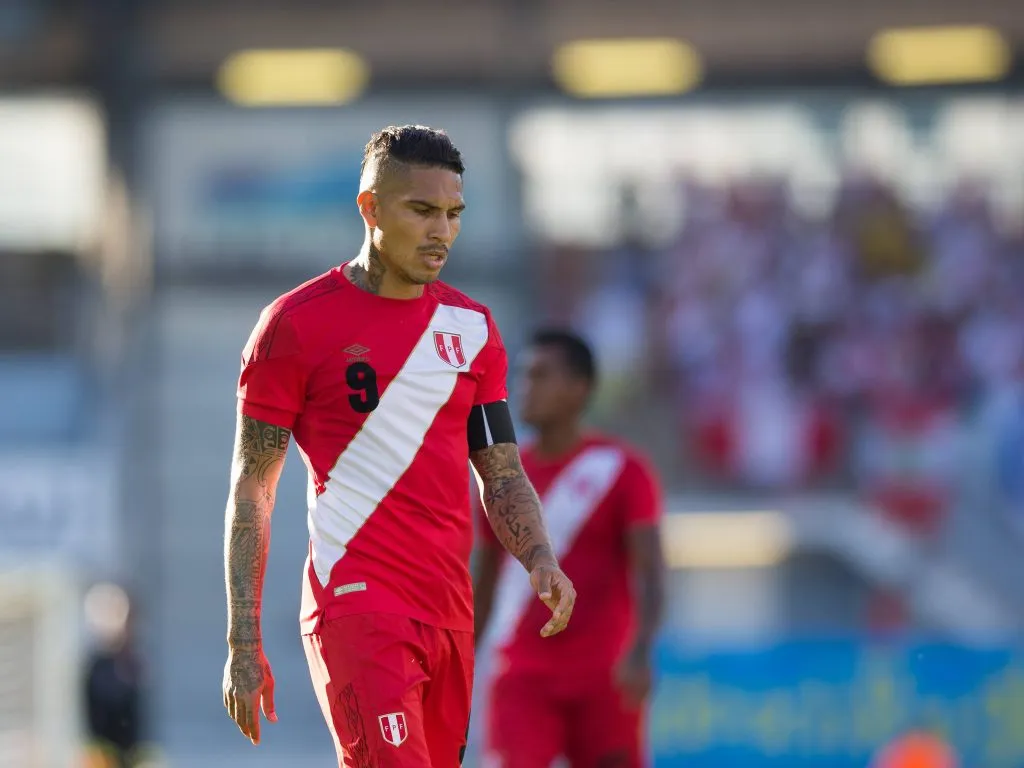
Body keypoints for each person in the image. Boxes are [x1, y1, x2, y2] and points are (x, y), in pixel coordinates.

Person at [220, 125, 577, 767]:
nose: (441, 230)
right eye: (422, 210)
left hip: (449, 611)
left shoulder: (472, 328)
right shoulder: (294, 326)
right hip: (357, 604)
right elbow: (252, 489)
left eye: (453, 214)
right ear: (370, 208)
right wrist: (244, 640)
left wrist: (540, 556)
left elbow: (499, 471)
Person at [473, 329, 665, 768]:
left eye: (541, 376)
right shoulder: (500, 479)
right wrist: (463, 661)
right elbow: (486, 580)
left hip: (603, 673)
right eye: (522, 375)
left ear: (579, 389)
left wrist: (641, 652)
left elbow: (650, 571)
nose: (525, 387)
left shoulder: (623, 470)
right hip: (520, 672)